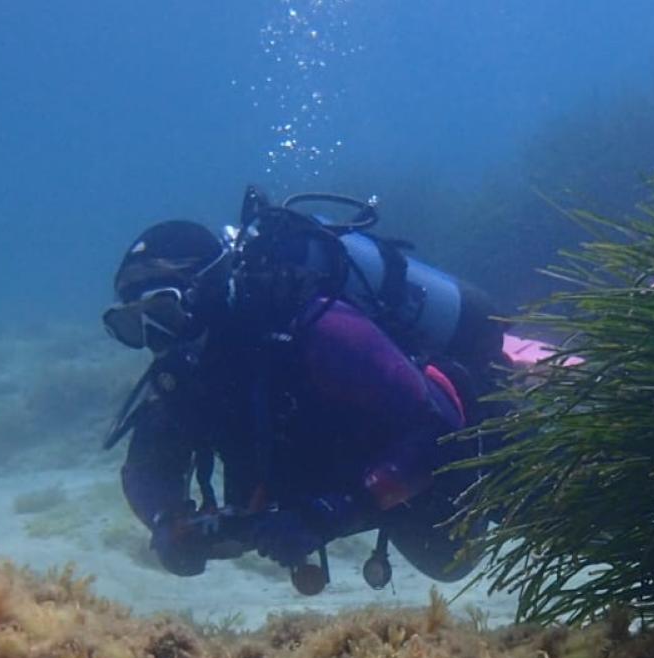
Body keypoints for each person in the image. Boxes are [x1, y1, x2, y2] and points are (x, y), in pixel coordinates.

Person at [100, 190, 509, 593]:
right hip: (344, 482)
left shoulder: (318, 328)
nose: (155, 338)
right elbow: (149, 464)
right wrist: (166, 521)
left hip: (464, 437)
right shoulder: (186, 370)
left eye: (163, 312)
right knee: (439, 555)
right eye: (132, 325)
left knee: (448, 556)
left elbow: (435, 429)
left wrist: (333, 513)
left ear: (205, 290)